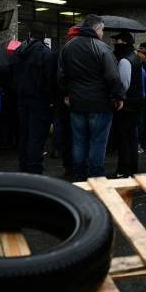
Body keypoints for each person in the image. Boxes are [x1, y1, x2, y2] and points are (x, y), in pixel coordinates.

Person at [58, 15, 125, 181]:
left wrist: (66, 93)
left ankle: (79, 174)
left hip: (76, 102)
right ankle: (96, 176)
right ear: (96, 28)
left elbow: (61, 75)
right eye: (102, 30)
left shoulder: (67, 47)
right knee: (98, 141)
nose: (102, 33)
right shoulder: (102, 48)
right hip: (100, 104)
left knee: (79, 141)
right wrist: (119, 96)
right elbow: (112, 76)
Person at [13, 23, 56, 174]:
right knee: (37, 136)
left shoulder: (19, 51)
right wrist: (51, 99)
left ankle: (23, 164)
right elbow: (50, 80)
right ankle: (34, 167)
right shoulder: (46, 53)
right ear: (44, 36)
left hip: (22, 99)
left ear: (29, 34)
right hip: (40, 101)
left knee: (24, 134)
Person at [111, 31, 144, 177]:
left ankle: (124, 169)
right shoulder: (135, 58)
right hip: (135, 104)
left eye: (118, 41)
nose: (116, 44)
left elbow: (124, 85)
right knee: (131, 137)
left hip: (126, 105)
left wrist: (117, 97)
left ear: (124, 43)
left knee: (123, 138)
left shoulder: (125, 60)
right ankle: (132, 168)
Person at [52, 26, 80, 176]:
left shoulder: (60, 51)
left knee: (64, 130)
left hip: (61, 98)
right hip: (75, 98)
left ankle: (67, 163)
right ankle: (76, 165)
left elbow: (57, 76)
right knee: (78, 134)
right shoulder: (80, 52)